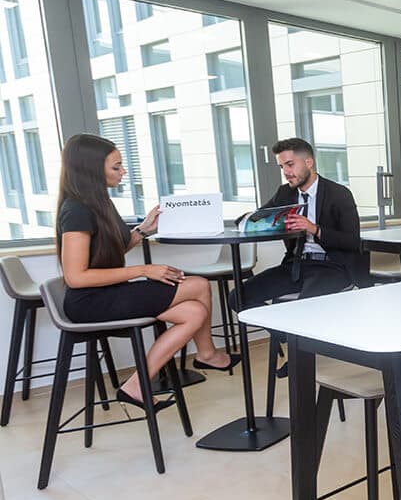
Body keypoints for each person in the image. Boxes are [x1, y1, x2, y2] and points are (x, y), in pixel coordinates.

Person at [56, 133, 236, 410]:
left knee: (194, 313)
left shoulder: (98, 202)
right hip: (90, 302)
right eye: (116, 166)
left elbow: (107, 253)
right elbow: (76, 277)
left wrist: (142, 230)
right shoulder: (76, 210)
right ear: (91, 169)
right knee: (199, 285)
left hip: (108, 293)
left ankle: (137, 385)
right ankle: (207, 354)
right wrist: (144, 270)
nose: (123, 172)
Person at [232, 137, 368, 313]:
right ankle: (280, 327)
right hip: (296, 266)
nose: (286, 172)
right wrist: (246, 221)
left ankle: (290, 327)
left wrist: (315, 229)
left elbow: (352, 241)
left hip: (332, 266)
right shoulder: (284, 193)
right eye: (282, 167)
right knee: (237, 297)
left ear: (308, 162)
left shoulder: (339, 194)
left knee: (306, 309)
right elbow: (258, 216)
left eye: (290, 164)